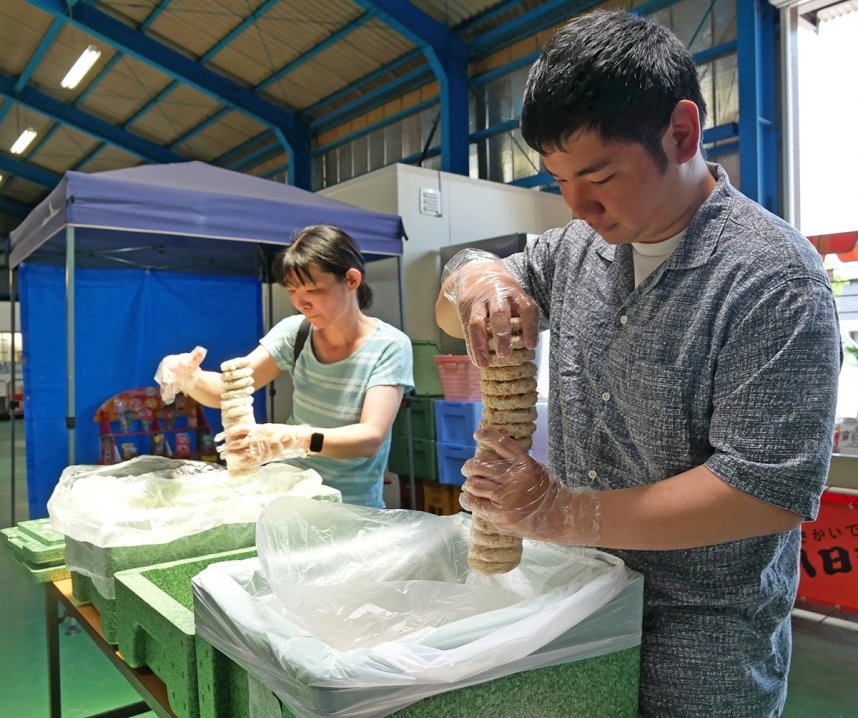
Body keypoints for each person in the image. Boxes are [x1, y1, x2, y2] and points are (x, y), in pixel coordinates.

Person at [435, 9, 841, 717]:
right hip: (578, 608)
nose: (578, 205)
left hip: (698, 647)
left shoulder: (772, 280)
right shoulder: (577, 251)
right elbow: (456, 292)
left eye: (598, 176)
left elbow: (763, 491)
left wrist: (562, 511)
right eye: (559, 180)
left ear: (681, 133)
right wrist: (478, 283)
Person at [156, 224, 413, 508]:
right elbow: (226, 393)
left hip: (351, 506)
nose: (301, 302)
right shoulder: (295, 332)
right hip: (290, 496)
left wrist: (294, 438)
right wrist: (188, 376)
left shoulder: (390, 345)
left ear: (351, 280)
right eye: (292, 290)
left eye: (313, 290)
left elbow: (369, 438)